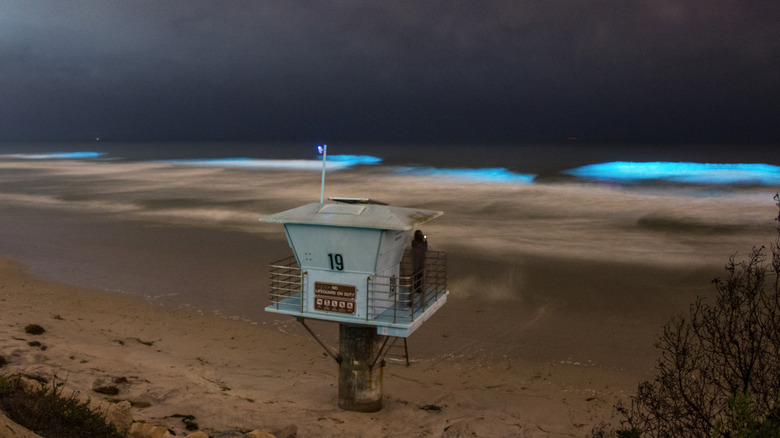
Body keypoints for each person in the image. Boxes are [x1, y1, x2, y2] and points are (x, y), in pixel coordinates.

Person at [411, 230, 427, 296]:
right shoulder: (422, 242)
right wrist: (425, 240)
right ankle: (418, 287)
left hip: (415, 259)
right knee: (420, 274)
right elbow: (425, 249)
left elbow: (413, 248)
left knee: (415, 273)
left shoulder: (413, 242)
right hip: (421, 259)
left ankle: (413, 286)